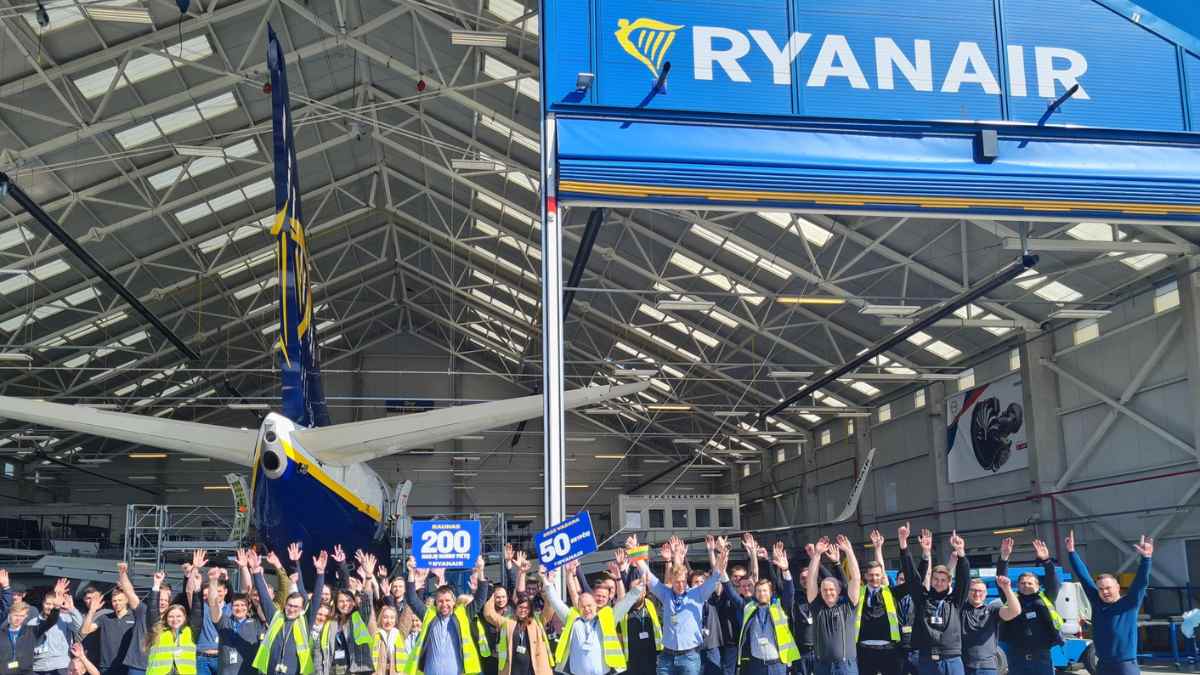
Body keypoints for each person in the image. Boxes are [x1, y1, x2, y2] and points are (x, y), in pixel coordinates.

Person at [632, 536, 725, 675]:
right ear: (672, 581)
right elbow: (647, 574)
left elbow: (716, 575)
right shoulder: (665, 593)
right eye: (676, 582)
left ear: (686, 579)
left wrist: (722, 553)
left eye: (682, 581)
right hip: (667, 657)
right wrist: (635, 550)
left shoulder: (698, 593)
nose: (680, 585)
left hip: (689, 657)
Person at [1065, 531, 1152, 675]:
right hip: (1103, 666)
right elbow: (1084, 577)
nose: (1104, 592)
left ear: (1117, 587)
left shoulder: (1129, 604)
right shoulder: (1097, 603)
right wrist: (1072, 552)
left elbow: (1141, 582)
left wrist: (1146, 558)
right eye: (1101, 589)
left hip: (1125, 666)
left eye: (1108, 588)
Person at [541, 563, 644, 675]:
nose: (586, 609)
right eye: (583, 606)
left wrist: (640, 585)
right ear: (578, 607)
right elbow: (556, 602)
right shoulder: (571, 618)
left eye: (589, 605)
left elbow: (626, 602)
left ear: (595, 605)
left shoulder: (608, 617)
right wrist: (545, 580)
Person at [896, 526, 969, 675]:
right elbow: (911, 576)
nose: (939, 583)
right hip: (927, 660)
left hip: (952, 659)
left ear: (949, 582)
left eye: (943, 580)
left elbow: (964, 579)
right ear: (931, 580)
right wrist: (904, 545)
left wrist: (961, 552)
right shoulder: (923, 599)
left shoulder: (954, 601)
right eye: (936, 579)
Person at [726, 542, 799, 675]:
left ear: (771, 593)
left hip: (778, 664)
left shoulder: (779, 607)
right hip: (756, 665)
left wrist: (785, 570)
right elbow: (730, 591)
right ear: (755, 593)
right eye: (758, 591)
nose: (762, 594)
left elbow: (790, 592)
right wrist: (721, 566)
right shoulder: (748, 607)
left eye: (765, 591)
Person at [249, 549, 322, 675]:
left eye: (296, 607)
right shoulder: (276, 616)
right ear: (285, 604)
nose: (292, 609)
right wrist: (256, 573)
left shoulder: (305, 621)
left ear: (301, 609)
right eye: (290, 605)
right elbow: (264, 597)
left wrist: (320, 573)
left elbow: (316, 600)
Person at [994, 539, 1061, 675]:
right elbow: (1001, 580)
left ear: (1037, 586)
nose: (1026, 585)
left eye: (1030, 583)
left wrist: (1046, 561)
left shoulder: (1045, 598)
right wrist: (1004, 558)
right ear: (1017, 585)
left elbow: (1053, 581)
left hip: (1041, 657)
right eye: (1023, 583)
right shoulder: (1012, 600)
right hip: (1017, 657)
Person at [404, 565, 484, 675]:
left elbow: (480, 599)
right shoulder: (429, 615)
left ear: (454, 602)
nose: (444, 604)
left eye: (447, 600)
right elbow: (411, 599)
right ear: (436, 603)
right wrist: (411, 573)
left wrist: (481, 571)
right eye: (440, 601)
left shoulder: (463, 615)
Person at [210, 551, 274, 675]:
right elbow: (213, 603)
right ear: (231, 607)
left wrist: (251, 571)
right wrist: (213, 581)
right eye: (236, 605)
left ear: (249, 606)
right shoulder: (224, 621)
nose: (239, 608)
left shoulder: (257, 622)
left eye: (243, 605)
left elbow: (262, 598)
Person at [805, 536, 862, 675]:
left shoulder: (848, 605)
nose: (828, 592)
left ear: (839, 591)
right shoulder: (817, 607)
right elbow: (811, 579)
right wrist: (817, 554)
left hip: (846, 666)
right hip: (822, 666)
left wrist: (849, 551)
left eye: (832, 589)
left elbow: (856, 578)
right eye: (824, 590)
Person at [856, 532, 901, 675]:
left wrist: (878, 549)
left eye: (877, 575)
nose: (874, 578)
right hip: (864, 650)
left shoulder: (889, 592)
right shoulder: (859, 592)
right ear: (865, 576)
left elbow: (882, 574)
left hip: (888, 650)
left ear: (882, 576)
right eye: (870, 575)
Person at [482, 589, 553, 675]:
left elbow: (549, 610)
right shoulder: (508, 622)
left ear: (530, 609)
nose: (523, 610)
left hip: (533, 670)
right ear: (516, 608)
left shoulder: (537, 622)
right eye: (520, 607)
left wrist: (546, 593)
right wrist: (494, 594)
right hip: (513, 670)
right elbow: (489, 614)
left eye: (526, 608)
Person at [143, 568, 200, 675]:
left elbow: (197, 611)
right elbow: (152, 610)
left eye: (179, 616)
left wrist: (197, 588)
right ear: (166, 618)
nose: (175, 619)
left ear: (185, 618)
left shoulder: (191, 631)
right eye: (171, 616)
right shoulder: (158, 630)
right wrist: (156, 585)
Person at [960, 577, 1020, 675]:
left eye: (981, 591)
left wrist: (1007, 588)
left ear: (986, 593)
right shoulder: (959, 609)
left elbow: (1015, 611)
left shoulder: (992, 610)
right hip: (963, 666)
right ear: (967, 592)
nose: (977, 594)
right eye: (973, 590)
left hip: (987, 667)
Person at [81, 577, 138, 675]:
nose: (117, 603)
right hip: (107, 668)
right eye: (114, 601)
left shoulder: (134, 618)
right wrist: (92, 610)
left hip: (127, 667)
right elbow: (85, 631)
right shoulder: (104, 618)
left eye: (120, 600)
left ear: (126, 601)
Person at [27, 577, 83, 675]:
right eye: (47, 603)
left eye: (53, 604)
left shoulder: (64, 618)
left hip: (60, 665)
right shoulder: (32, 622)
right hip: (38, 667)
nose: (50, 607)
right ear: (43, 603)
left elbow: (80, 628)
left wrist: (72, 609)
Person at [1, 587, 63, 675]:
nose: (18, 619)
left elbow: (50, 621)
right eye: (16, 615)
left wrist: (56, 608)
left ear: (26, 616)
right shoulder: (2, 633)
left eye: (22, 616)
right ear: (10, 615)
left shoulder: (31, 631)